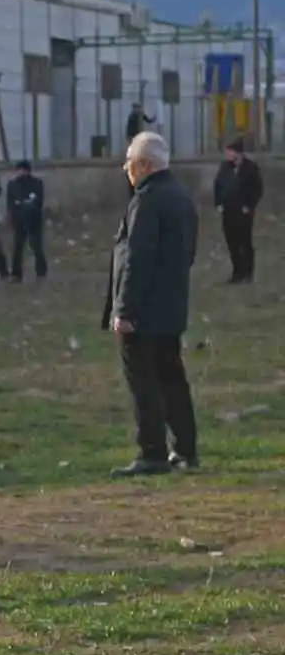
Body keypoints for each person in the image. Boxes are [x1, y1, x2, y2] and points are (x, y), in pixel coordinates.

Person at [102, 131, 200, 477]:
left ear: (144, 165)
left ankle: (152, 452)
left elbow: (137, 258)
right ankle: (186, 448)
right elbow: (187, 254)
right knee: (172, 378)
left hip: (143, 311)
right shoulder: (180, 196)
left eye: (129, 162)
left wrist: (124, 310)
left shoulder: (147, 199)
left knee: (143, 381)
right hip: (171, 306)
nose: (126, 169)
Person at [213, 136, 264, 283]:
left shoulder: (251, 168)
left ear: (238, 153)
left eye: (229, 152)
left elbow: (257, 189)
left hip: (243, 212)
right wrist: (218, 204)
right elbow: (218, 185)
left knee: (245, 242)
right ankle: (237, 272)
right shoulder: (224, 167)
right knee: (232, 242)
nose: (227, 155)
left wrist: (249, 206)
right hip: (228, 211)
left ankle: (248, 273)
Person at [5, 159, 47, 283]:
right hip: (18, 220)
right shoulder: (13, 184)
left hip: (34, 220)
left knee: (36, 246)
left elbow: (38, 202)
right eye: (18, 170)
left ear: (28, 171)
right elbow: (11, 203)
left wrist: (23, 204)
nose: (20, 173)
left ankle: (41, 272)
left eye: (23, 170)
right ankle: (16, 274)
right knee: (18, 247)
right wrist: (11, 215)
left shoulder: (36, 183)